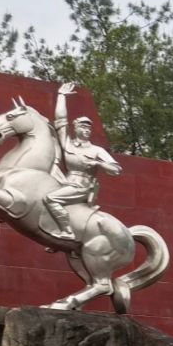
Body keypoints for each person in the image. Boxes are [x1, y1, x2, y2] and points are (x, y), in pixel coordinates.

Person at [43, 81, 121, 242]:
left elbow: (116, 169)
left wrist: (99, 163)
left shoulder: (97, 150)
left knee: (51, 199)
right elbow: (60, 120)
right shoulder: (68, 144)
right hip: (65, 183)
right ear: (76, 128)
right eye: (83, 127)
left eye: (89, 128)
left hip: (83, 186)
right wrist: (61, 96)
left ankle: (67, 232)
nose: (87, 130)